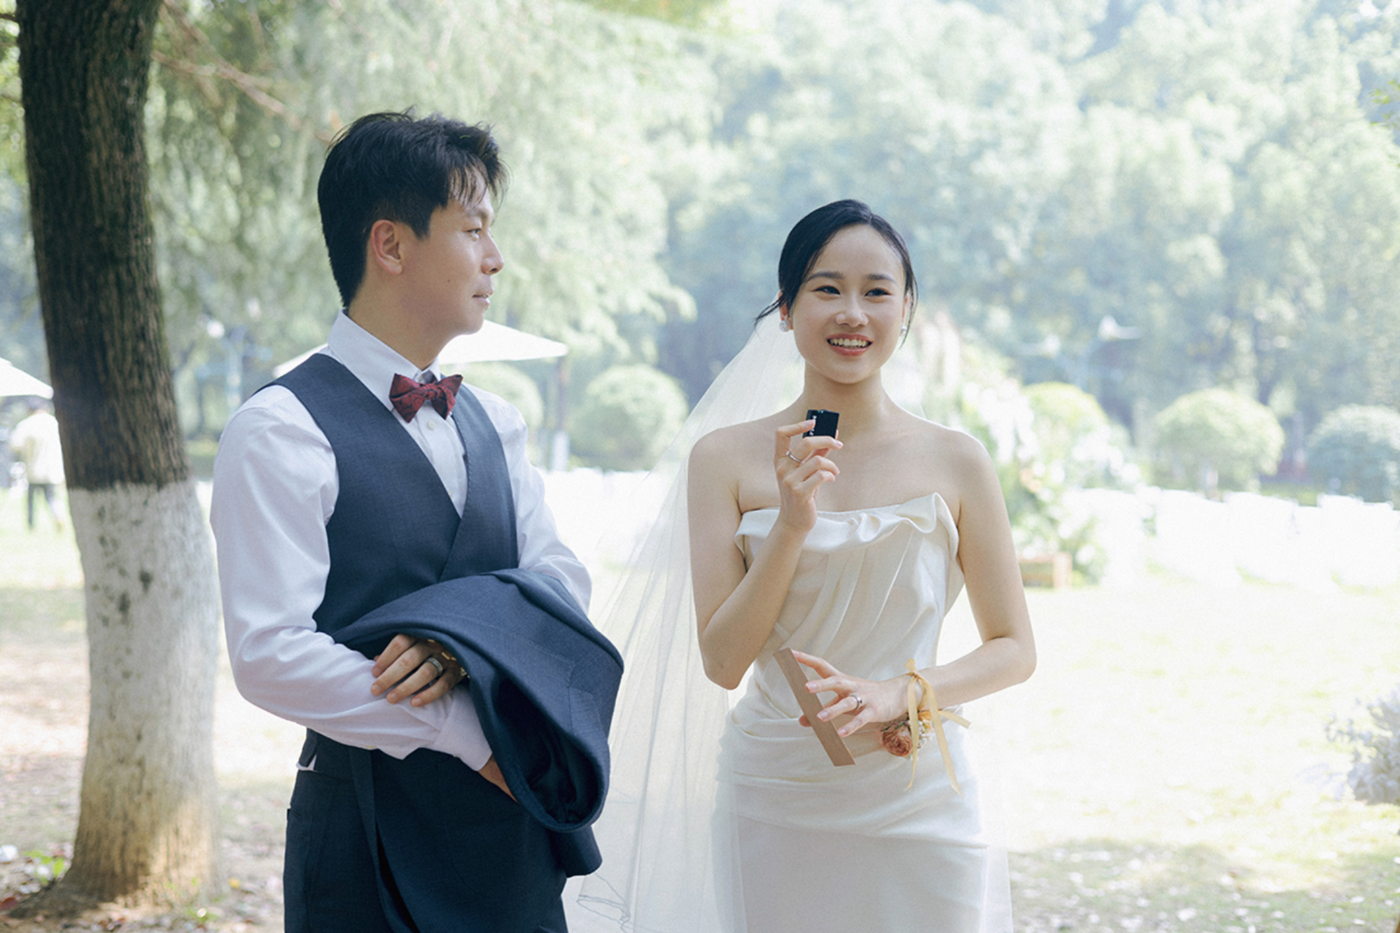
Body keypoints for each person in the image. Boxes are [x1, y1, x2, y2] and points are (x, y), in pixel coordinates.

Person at [575, 200, 1034, 932]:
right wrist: (791, 523)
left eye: (876, 291)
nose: (852, 312)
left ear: (905, 310)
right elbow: (724, 661)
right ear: (786, 311)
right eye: (827, 288)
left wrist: (901, 692)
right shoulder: (723, 459)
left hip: (918, 796)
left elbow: (1014, 648)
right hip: (776, 792)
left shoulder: (957, 460)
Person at [211, 111, 620, 933]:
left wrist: (457, 641)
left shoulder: (497, 421)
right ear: (391, 246)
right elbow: (269, 653)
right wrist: (463, 729)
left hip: (511, 831)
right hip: (366, 831)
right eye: (473, 230)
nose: (495, 257)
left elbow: (559, 583)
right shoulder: (281, 428)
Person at [10, 399, 65, 532]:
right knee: (51, 497)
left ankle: (31, 525)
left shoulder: (26, 424)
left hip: (33, 470)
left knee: (30, 500)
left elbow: (15, 445)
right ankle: (57, 516)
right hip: (52, 470)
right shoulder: (54, 423)